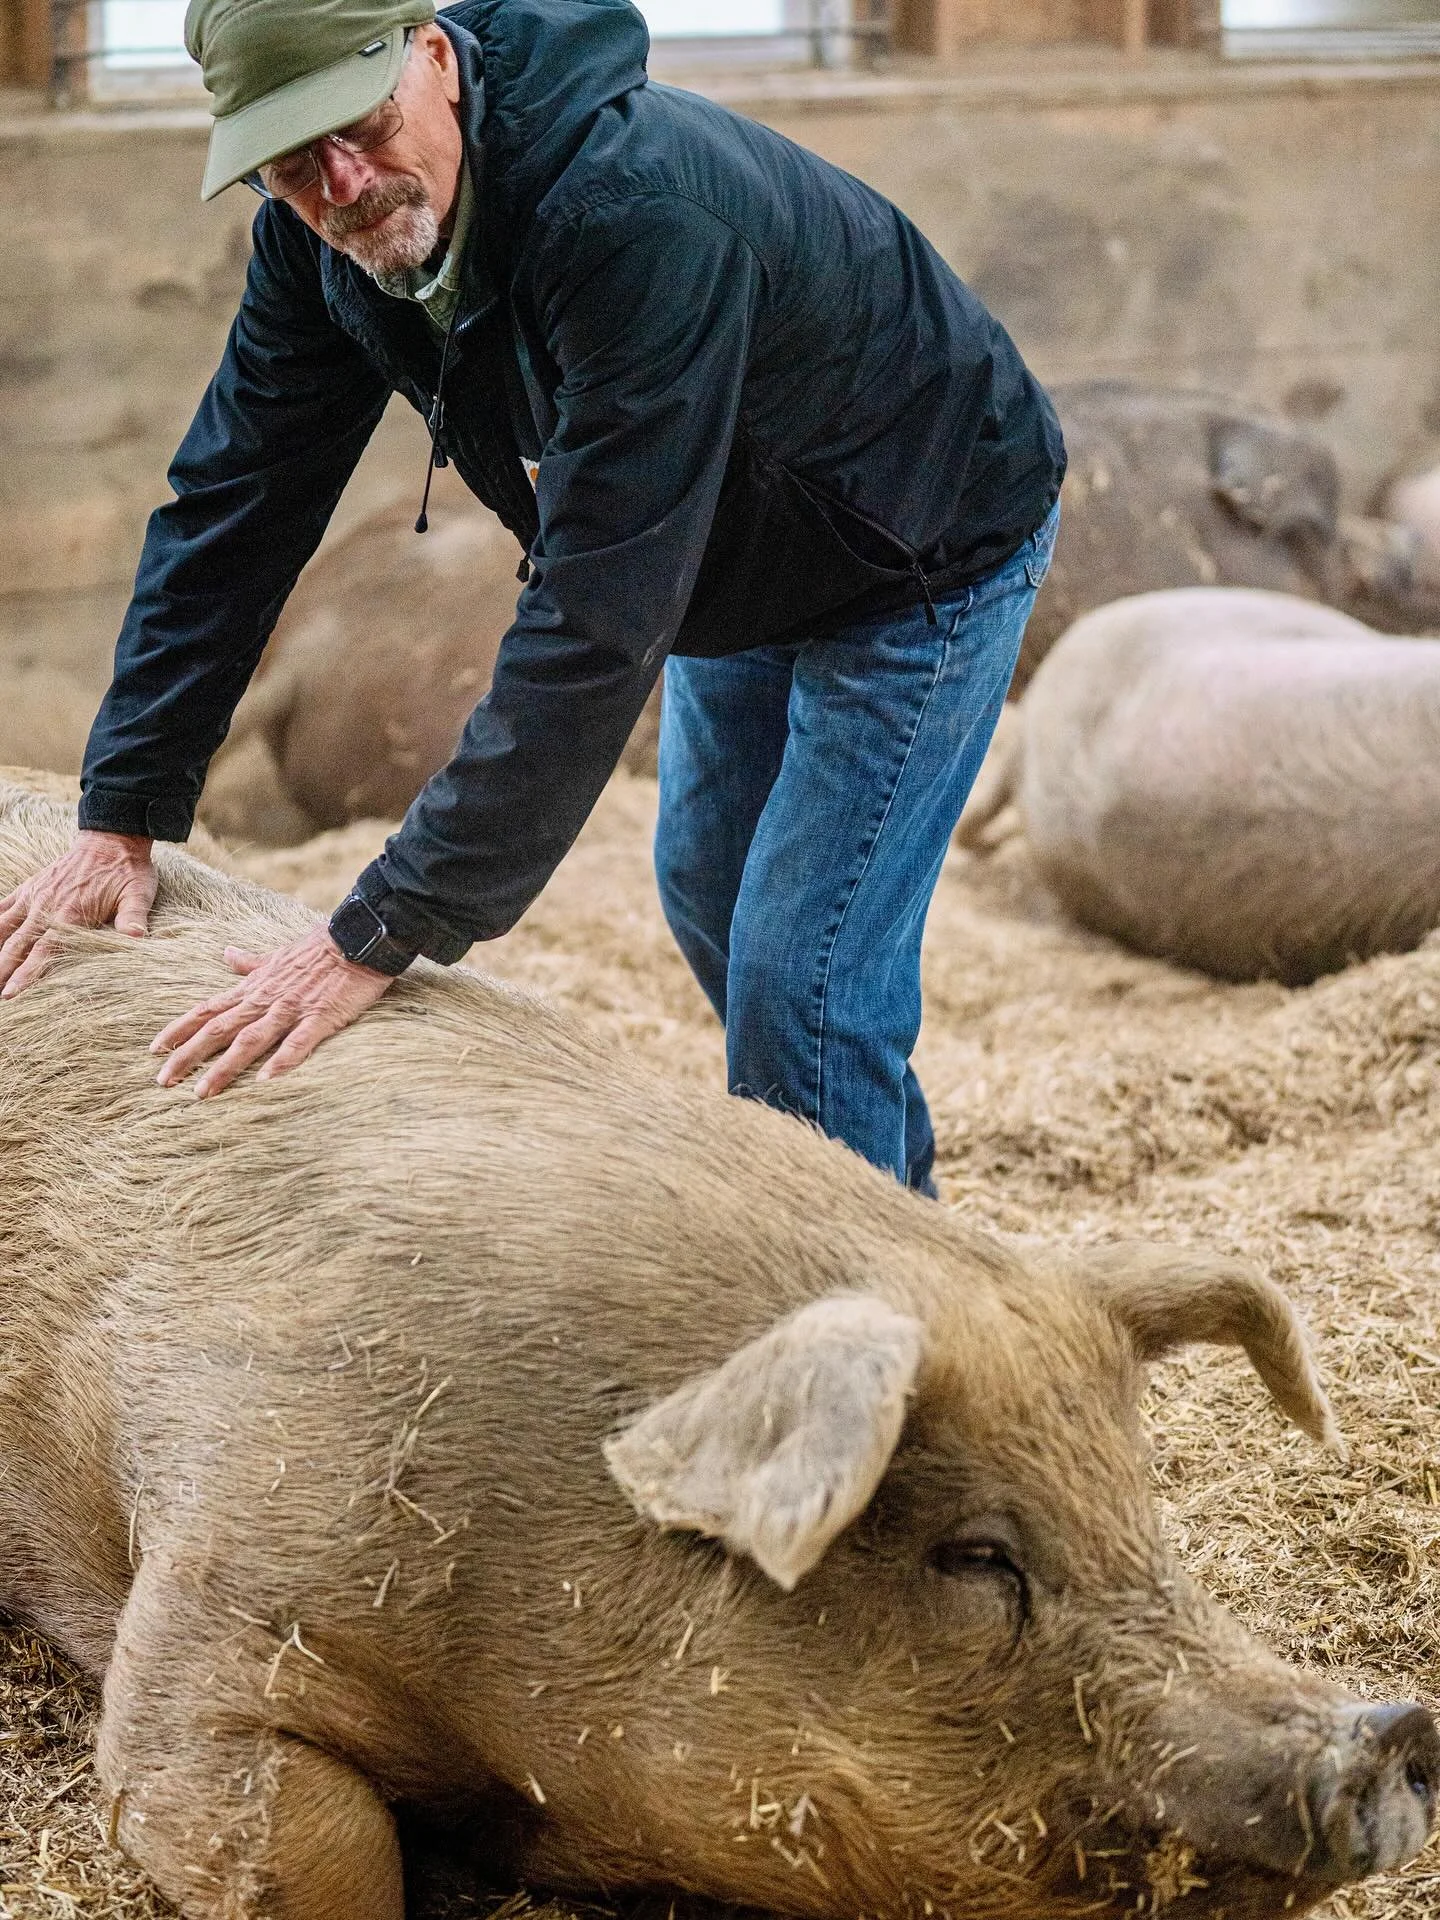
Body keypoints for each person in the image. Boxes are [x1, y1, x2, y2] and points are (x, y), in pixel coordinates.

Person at [0, 0, 1063, 1195]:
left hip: (918, 535)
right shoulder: (317, 244)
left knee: (800, 973)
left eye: (359, 125)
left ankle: (883, 1318)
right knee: (709, 888)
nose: (344, 182)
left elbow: (598, 613)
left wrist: (388, 924)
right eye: (293, 163)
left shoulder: (632, 212)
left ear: (434, 60)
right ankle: (897, 1205)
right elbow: (234, 505)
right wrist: (125, 805)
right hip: (729, 543)